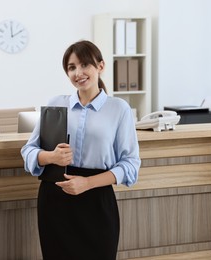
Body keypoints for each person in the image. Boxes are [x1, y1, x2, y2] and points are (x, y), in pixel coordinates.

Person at [21, 40, 141, 260]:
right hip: (55, 200)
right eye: (71, 67)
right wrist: (51, 156)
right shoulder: (57, 103)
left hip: (96, 200)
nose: (78, 73)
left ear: (100, 66)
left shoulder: (119, 109)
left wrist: (86, 183)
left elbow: (130, 164)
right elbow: (28, 150)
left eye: (85, 65)